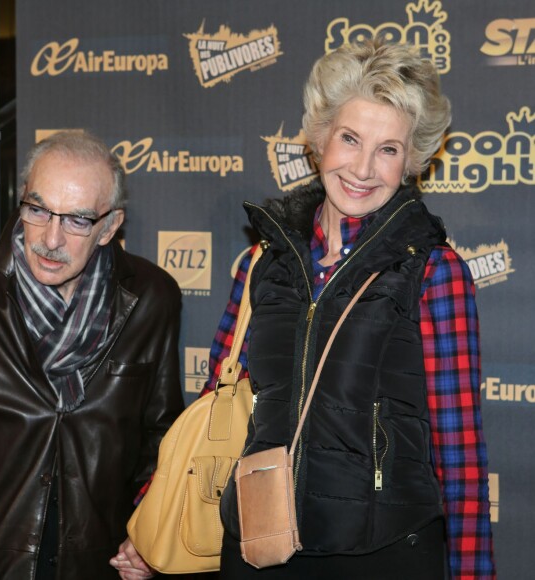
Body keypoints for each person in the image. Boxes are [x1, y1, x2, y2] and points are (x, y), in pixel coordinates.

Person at [201, 39, 497, 579]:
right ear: (319, 140)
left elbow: (459, 447)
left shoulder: (434, 270)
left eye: (388, 149)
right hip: (262, 543)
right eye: (350, 139)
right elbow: (213, 407)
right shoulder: (261, 263)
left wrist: (473, 572)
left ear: (412, 161)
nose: (363, 168)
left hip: (386, 552)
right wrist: (155, 506)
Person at [0, 130, 185, 580]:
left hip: (95, 563)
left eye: (78, 220)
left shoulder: (151, 297)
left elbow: (162, 439)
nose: (51, 238)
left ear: (110, 226)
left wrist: (150, 534)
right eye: (38, 210)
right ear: (22, 200)